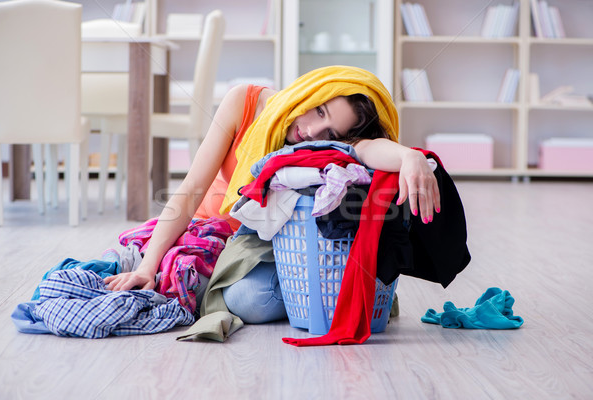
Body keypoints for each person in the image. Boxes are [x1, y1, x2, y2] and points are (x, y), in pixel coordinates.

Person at [104, 65, 440, 323]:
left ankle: (317, 295)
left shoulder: (321, 146)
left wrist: (410, 155)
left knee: (249, 299)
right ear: (312, 91)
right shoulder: (245, 102)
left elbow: (368, 148)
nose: (309, 132)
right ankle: (320, 297)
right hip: (207, 230)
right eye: (319, 111)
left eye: (330, 133)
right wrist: (149, 266)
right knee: (130, 265)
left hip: (265, 247)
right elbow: (190, 189)